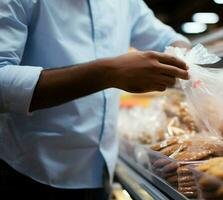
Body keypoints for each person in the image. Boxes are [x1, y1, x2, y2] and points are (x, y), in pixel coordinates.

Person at [0, 0, 191, 199]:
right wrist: (107, 74)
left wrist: (188, 59)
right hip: (31, 172)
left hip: (102, 171)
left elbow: (167, 39)